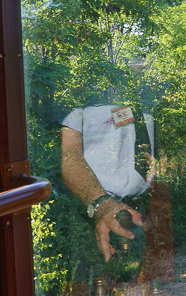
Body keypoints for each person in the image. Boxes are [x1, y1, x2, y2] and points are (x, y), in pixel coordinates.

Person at [61, 103, 168, 272]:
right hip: (95, 213)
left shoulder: (144, 90)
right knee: (95, 289)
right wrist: (102, 203)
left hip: (138, 211)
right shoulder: (80, 95)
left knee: (140, 291)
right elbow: (68, 155)